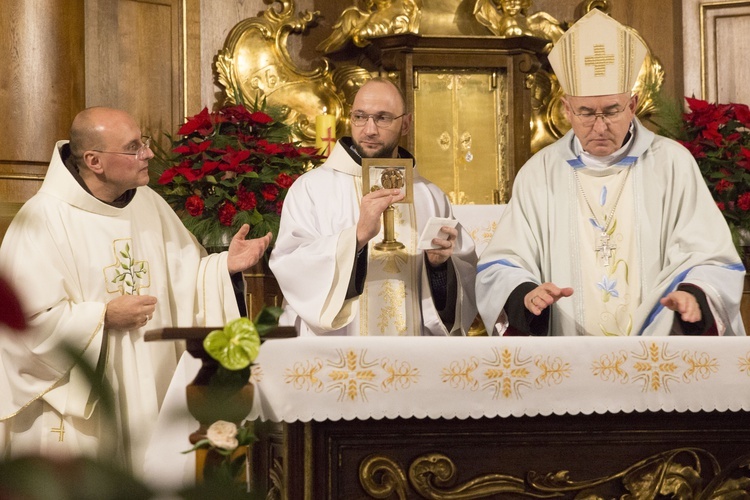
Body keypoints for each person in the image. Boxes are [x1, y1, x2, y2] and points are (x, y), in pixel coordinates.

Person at [0, 107, 271, 476]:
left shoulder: (149, 204)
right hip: (84, 406)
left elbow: (184, 277)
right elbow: (23, 328)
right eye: (133, 147)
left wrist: (223, 266)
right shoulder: (43, 220)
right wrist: (102, 317)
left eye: (142, 142)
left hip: (153, 385)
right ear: (94, 161)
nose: (147, 153)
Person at [476, 9, 746, 337]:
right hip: (568, 359)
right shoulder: (540, 173)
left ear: (632, 105)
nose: (600, 126)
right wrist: (526, 295)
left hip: (655, 355)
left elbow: (712, 257)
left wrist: (694, 295)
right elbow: (504, 264)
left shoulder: (672, 164)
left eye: (612, 111)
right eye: (586, 112)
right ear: (566, 109)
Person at [269, 77, 477, 336]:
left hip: (413, 357)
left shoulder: (431, 197)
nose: (369, 130)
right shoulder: (312, 189)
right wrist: (355, 239)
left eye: (383, 118)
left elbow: (463, 288)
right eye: (360, 116)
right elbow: (292, 267)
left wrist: (438, 268)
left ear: (406, 124)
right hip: (340, 356)